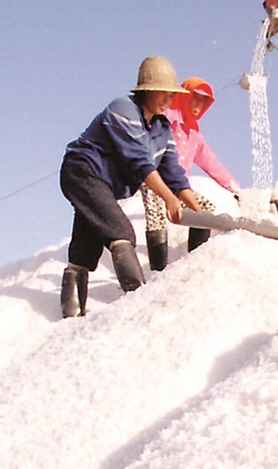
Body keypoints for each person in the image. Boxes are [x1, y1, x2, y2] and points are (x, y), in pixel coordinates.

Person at [59, 56, 202, 318]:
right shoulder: (123, 109)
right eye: (162, 92)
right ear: (146, 89)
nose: (168, 100)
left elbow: (173, 172)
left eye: (171, 94)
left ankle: (71, 312)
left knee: (86, 245)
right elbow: (141, 163)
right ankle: (138, 303)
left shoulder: (162, 128)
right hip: (82, 172)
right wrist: (170, 200)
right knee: (120, 232)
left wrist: (196, 209)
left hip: (104, 184)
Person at [143, 77, 240, 271]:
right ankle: (158, 270)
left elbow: (212, 164)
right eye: (195, 98)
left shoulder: (194, 135)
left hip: (179, 186)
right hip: (154, 178)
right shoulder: (167, 117)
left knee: (204, 211)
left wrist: (236, 189)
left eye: (203, 102)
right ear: (184, 96)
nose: (198, 105)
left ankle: (193, 263)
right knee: (155, 215)